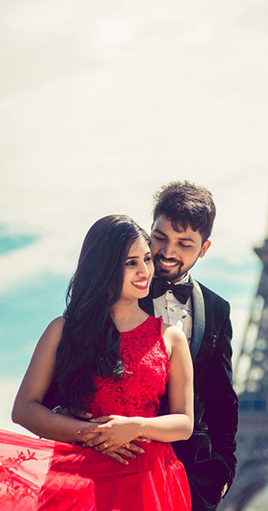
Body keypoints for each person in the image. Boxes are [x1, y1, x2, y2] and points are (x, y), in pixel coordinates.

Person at [3, 215, 193, 509]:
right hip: (78, 479)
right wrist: (92, 434)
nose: (144, 271)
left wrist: (136, 426)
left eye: (146, 259)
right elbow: (24, 409)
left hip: (148, 481)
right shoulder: (63, 330)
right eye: (131, 263)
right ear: (104, 269)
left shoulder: (171, 338)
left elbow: (184, 423)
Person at [140, 181, 238, 510]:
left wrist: (224, 468)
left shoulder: (216, 308)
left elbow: (222, 395)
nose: (168, 252)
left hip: (189, 474)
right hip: (123, 461)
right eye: (160, 237)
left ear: (204, 248)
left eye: (184, 244)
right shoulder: (117, 295)